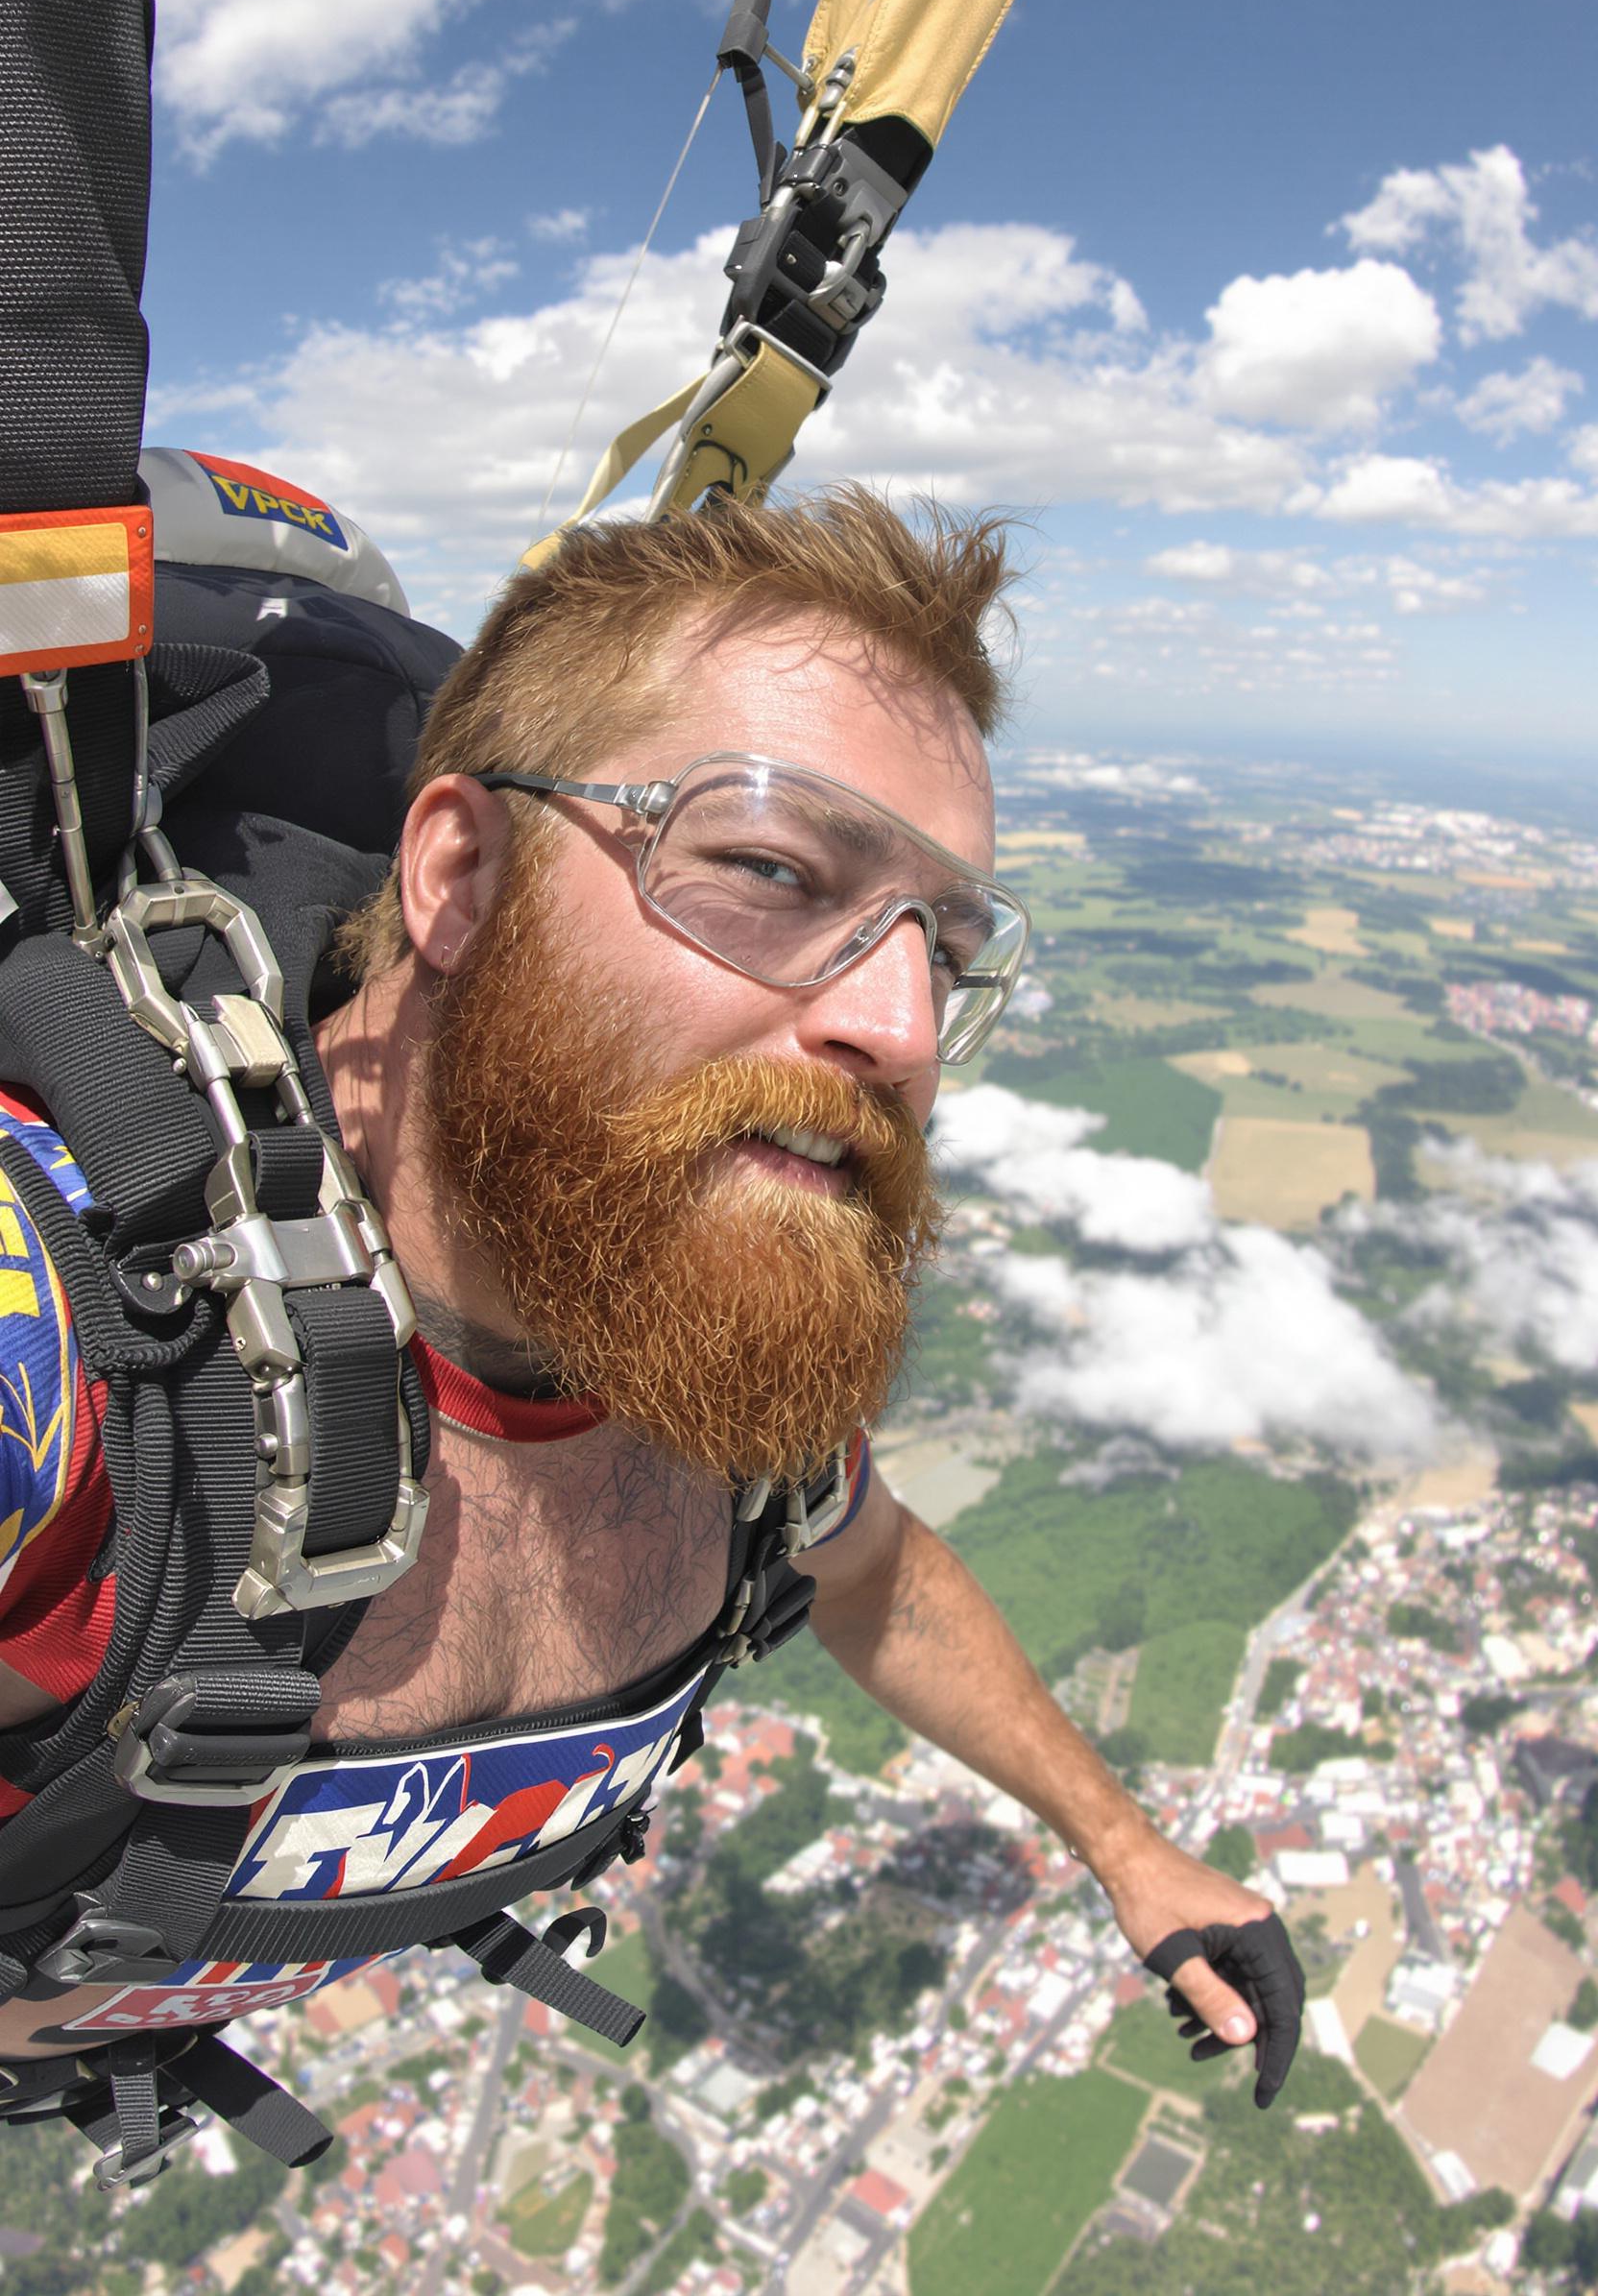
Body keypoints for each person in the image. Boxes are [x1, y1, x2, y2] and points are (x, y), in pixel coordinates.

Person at [0, 486, 1300, 2098]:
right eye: (766, 864)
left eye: (946, 953)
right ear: (461, 878)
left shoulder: (678, 1330)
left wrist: (1131, 1851)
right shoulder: (63, 1357)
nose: (900, 1025)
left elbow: (868, 1562)